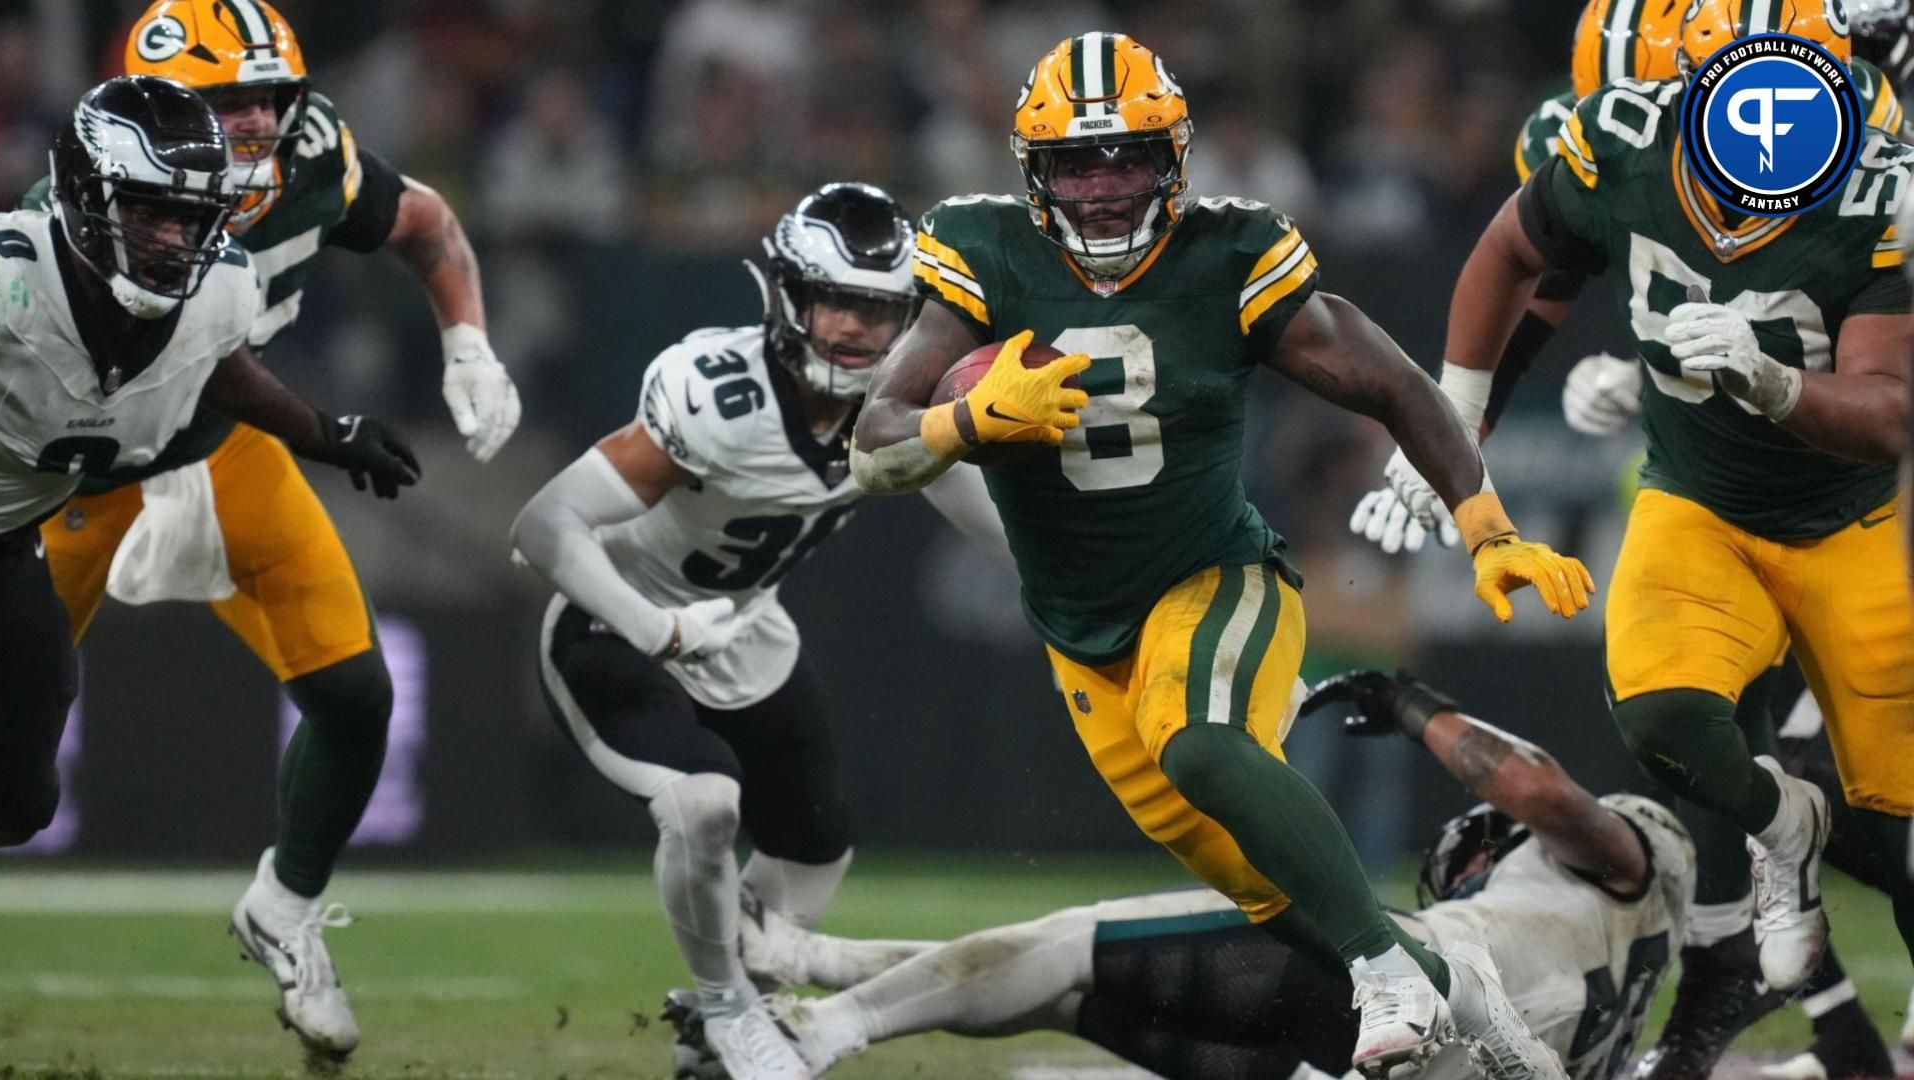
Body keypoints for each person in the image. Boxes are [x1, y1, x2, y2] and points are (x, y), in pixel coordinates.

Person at [849, 30, 1592, 1077]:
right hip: (1081, 634)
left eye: (1128, 157)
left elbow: (1394, 384)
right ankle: (1475, 1013)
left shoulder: (1227, 253)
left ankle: (1384, 973)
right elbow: (875, 441)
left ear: (1174, 159)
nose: (1104, 187)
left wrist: (1486, 526)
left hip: (1214, 580)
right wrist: (969, 424)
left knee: (1198, 740)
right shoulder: (981, 250)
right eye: (1076, 161)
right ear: (1034, 171)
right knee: (1280, 895)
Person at [1391, 0, 1913, 1028]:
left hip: (1858, 500)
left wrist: (1761, 381)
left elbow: (1867, 383)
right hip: (1712, 495)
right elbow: (1548, 265)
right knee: (1688, 718)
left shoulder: (1872, 170)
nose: (1622, 113)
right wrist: (1458, 423)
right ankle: (1782, 933)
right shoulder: (1631, 137)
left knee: (1891, 823)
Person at [15, 2, 515, 1060]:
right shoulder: (86, 204)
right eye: (222, 100)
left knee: (355, 693)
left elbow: (422, 224)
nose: (249, 123)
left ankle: (285, 907)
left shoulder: (308, 156)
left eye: (265, 99)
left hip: (222, 441)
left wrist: (467, 343)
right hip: (76, 468)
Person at [511, 183, 1009, 1080]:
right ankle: (728, 1007)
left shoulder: (894, 409)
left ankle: (717, 1019)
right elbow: (544, 528)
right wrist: (653, 627)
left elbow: (1000, 529)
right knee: (704, 805)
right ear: (788, 296)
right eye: (835, 302)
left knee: (817, 848)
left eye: (878, 308)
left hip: (745, 629)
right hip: (614, 620)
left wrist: (1107, 590)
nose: (855, 330)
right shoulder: (719, 396)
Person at [665, 671, 1692, 1080]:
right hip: (1390, 1066)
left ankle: (810, 1032)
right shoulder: (1624, 988)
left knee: (1069, 950)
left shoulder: (1627, 864)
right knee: (1062, 997)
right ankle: (807, 967)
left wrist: (1413, 705)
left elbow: (1549, 799)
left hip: (1401, 989)